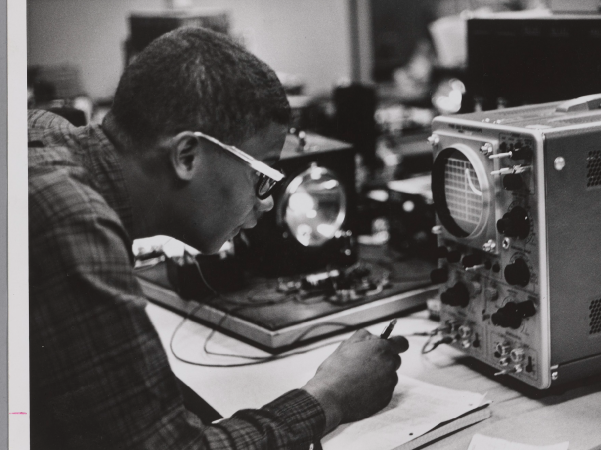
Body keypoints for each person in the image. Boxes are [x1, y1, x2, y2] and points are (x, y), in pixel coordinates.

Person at [29, 27, 408, 449]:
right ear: (187, 156)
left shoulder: (45, 133)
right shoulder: (70, 221)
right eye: (262, 175)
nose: (266, 204)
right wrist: (330, 397)